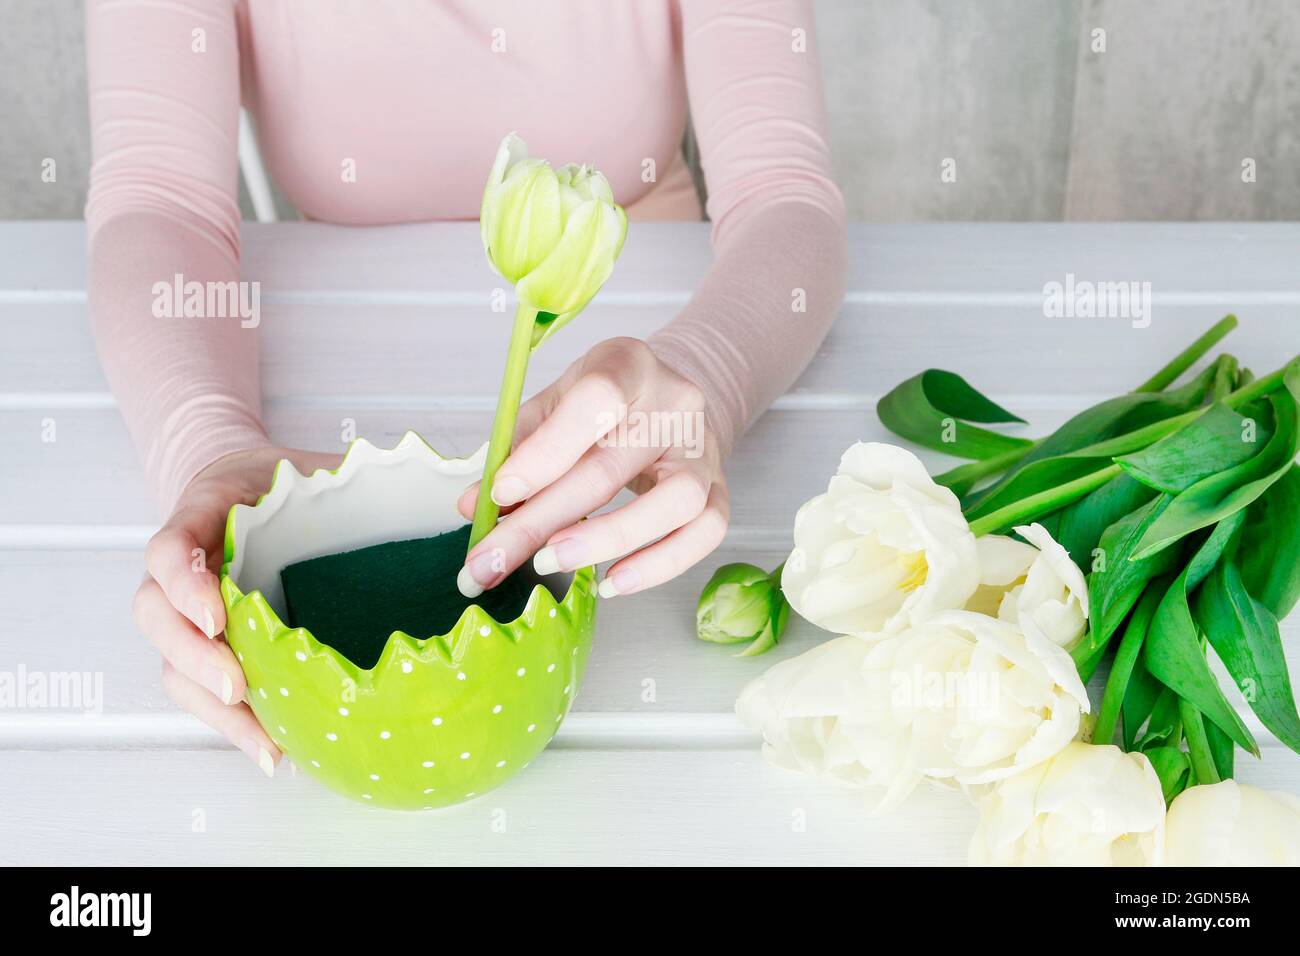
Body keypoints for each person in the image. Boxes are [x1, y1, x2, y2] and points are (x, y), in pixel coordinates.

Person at [87, 0, 846, 775]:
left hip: (646, 388)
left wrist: (705, 376)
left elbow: (783, 194)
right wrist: (206, 442)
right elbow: (157, 197)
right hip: (329, 348)